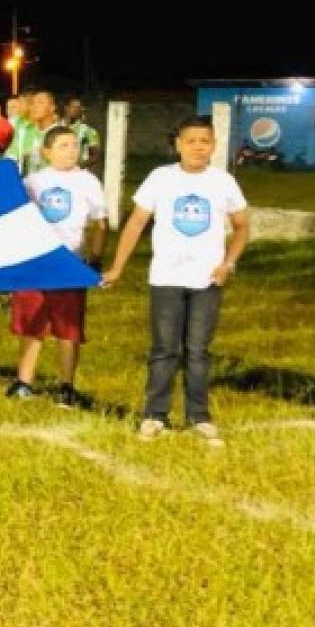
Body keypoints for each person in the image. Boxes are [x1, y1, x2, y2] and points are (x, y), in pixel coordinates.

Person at [100, 115, 250, 447]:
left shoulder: (223, 182)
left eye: (205, 141)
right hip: (166, 277)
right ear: (178, 145)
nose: (198, 147)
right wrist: (117, 267)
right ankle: (155, 414)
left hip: (207, 280)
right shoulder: (160, 178)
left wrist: (228, 264)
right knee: (164, 349)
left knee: (198, 350)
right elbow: (137, 222)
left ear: (213, 146)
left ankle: (199, 416)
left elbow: (241, 227)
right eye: (191, 141)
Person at [6, 126, 108, 406]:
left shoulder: (88, 182)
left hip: (70, 261)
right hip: (37, 261)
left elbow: (100, 222)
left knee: (69, 327)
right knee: (32, 322)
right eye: (63, 145)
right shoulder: (32, 182)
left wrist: (96, 257)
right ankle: (24, 381)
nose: (72, 150)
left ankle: (67, 385)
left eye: (75, 145)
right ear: (46, 152)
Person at [7, 87, 58, 176]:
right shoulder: (23, 131)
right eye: (33, 103)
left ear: (52, 108)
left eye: (40, 102)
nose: (35, 107)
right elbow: (11, 157)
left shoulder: (61, 133)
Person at [61, 95, 102, 170]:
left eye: (78, 108)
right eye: (73, 107)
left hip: (77, 173)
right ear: (66, 108)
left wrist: (80, 166)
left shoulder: (88, 130)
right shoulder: (56, 127)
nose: (76, 110)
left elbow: (96, 155)